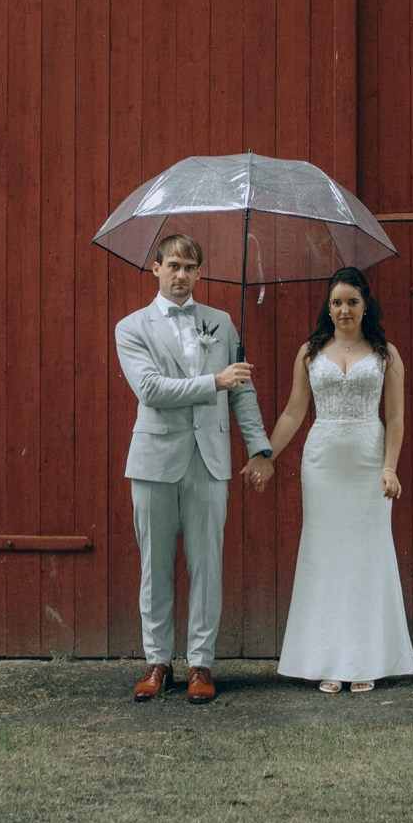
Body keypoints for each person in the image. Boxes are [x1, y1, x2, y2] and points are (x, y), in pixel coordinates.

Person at [114, 232, 273, 704]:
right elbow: (150, 389)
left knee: (208, 566)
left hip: (210, 459)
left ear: (200, 272)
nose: (181, 275)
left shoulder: (222, 323)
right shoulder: (132, 326)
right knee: (154, 566)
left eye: (190, 267)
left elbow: (241, 390)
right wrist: (214, 381)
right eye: (173, 266)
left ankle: (201, 663)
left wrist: (260, 447)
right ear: (156, 269)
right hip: (154, 459)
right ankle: (157, 662)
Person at [267, 266, 413, 693]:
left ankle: (366, 659)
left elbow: (395, 416)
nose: (344, 309)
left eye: (351, 301)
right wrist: (266, 455)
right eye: (336, 302)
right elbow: (294, 412)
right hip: (322, 465)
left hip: (369, 462)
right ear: (327, 308)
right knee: (325, 557)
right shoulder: (310, 353)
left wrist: (390, 466)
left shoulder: (386, 354)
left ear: (365, 304)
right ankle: (327, 661)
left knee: (368, 557)